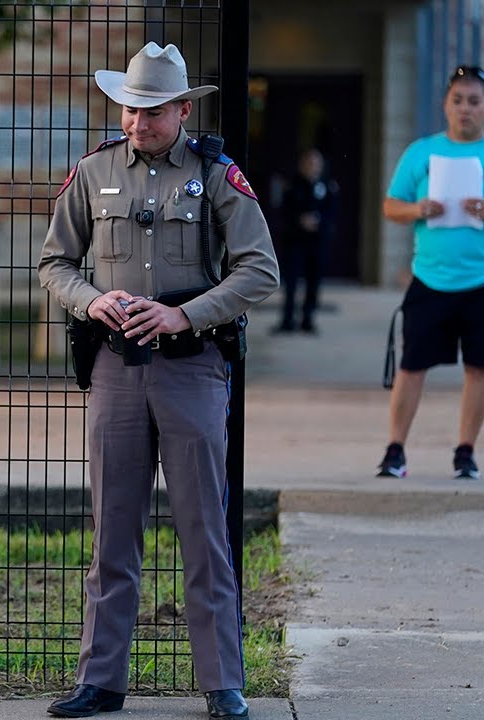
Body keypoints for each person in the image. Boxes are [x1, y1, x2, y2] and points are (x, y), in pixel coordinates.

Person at [38, 43, 279, 720]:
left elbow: (259, 271)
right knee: (112, 528)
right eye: (129, 107)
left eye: (150, 110)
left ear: (181, 109)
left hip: (193, 368)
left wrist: (182, 313)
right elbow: (55, 262)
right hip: (115, 369)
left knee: (204, 529)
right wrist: (92, 301)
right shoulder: (92, 171)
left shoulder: (217, 175)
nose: (136, 121)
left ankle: (222, 683)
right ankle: (101, 681)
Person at [376, 65, 484, 480]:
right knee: (412, 365)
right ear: (445, 105)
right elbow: (391, 206)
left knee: (479, 366)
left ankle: (465, 452)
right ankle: (395, 450)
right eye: (458, 100)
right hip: (432, 277)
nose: (465, 109)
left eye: (474, 101)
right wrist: (418, 209)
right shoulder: (420, 153)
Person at [274, 148, 337, 334]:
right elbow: (284, 211)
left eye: (315, 164)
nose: (312, 167)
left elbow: (332, 213)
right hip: (295, 241)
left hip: (317, 243)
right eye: (308, 163)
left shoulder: (328, 186)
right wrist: (300, 220)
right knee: (291, 282)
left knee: (313, 282)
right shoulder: (292, 186)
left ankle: (308, 320)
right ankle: (287, 320)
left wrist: (318, 221)